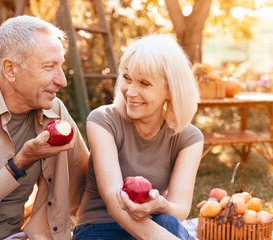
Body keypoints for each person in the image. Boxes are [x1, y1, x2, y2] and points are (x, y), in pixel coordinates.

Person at [0, 16, 89, 240]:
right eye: (49, 67)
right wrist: (19, 164)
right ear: (10, 69)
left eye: (61, 67)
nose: (62, 80)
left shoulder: (54, 112)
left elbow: (85, 193)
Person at [72, 34, 204, 240]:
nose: (130, 92)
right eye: (126, 78)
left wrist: (161, 204)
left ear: (170, 89)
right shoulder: (102, 120)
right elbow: (116, 203)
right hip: (99, 226)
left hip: (155, 221)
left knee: (169, 222)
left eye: (144, 83)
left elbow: (179, 209)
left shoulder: (189, 137)